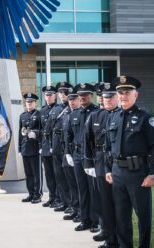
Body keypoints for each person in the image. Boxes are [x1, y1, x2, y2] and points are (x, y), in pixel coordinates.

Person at [105, 76, 154, 248]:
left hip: (138, 174)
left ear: (135, 94)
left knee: (143, 217)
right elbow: (108, 146)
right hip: (117, 174)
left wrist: (153, 173)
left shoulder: (146, 118)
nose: (123, 95)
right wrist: (109, 169)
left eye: (127, 92)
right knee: (121, 217)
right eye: (120, 92)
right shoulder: (113, 117)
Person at [84, 82, 119, 248]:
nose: (105, 99)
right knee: (104, 201)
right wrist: (89, 163)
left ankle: (117, 237)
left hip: (118, 164)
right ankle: (108, 233)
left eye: (109, 96)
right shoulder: (95, 116)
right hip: (100, 162)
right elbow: (88, 140)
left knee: (119, 203)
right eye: (103, 96)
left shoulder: (121, 114)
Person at [65, 83, 100, 232]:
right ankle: (85, 219)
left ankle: (95, 221)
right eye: (80, 95)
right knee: (82, 189)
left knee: (93, 190)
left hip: (92, 156)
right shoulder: (73, 114)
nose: (82, 97)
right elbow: (68, 135)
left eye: (85, 94)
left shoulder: (97, 113)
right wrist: (68, 152)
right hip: (78, 155)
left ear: (91, 96)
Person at [48, 82, 72, 212]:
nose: (63, 95)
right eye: (61, 93)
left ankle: (71, 204)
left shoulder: (71, 108)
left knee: (68, 177)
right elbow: (50, 129)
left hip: (66, 146)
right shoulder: (56, 109)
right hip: (56, 146)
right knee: (59, 177)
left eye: (65, 93)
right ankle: (63, 202)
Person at [19, 92, 42, 204]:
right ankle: (31, 193)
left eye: (31, 102)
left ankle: (37, 194)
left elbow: (43, 130)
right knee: (28, 174)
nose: (29, 104)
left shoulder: (39, 115)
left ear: (35, 103)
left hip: (35, 148)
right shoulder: (22, 116)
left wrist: (35, 133)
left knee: (36, 173)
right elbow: (20, 133)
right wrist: (19, 148)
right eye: (27, 102)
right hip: (25, 148)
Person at [62, 87, 81, 222]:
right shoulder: (66, 114)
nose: (71, 102)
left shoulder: (83, 114)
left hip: (79, 155)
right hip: (68, 153)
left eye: (74, 99)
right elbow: (66, 136)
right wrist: (67, 154)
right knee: (71, 184)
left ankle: (82, 212)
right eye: (69, 99)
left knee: (80, 185)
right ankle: (75, 209)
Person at [39, 85, 58, 207]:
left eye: (51, 94)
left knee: (58, 175)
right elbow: (41, 130)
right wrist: (41, 146)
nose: (48, 97)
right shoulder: (42, 110)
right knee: (49, 174)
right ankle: (52, 197)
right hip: (45, 147)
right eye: (46, 95)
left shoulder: (59, 109)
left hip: (55, 147)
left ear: (55, 96)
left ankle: (59, 198)